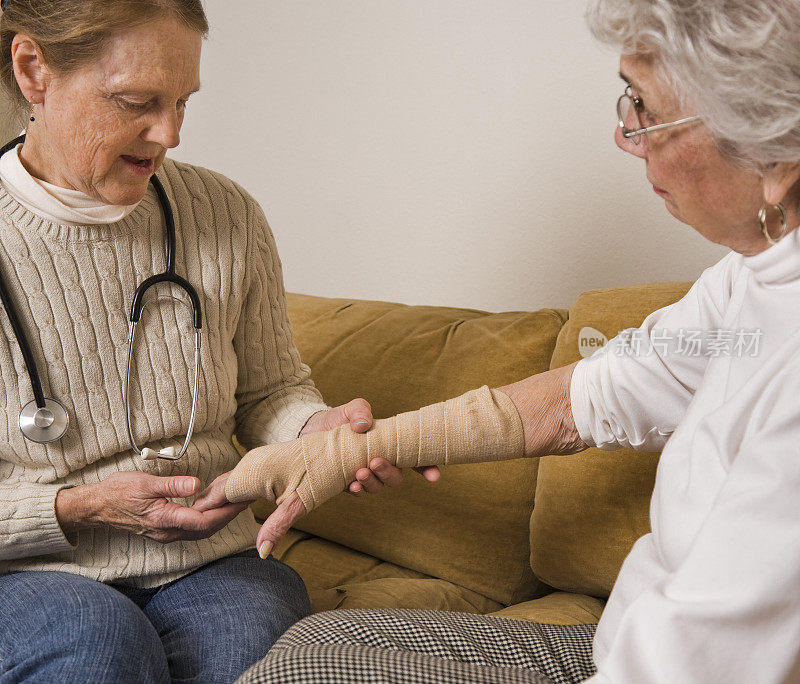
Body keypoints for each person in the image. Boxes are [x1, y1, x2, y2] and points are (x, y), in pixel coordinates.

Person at [232, 0, 800, 681]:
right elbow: (584, 398)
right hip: (621, 637)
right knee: (310, 643)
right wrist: (352, 447)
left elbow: (689, 664)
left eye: (649, 110)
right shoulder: (752, 277)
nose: (627, 136)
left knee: (288, 678)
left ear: (776, 160)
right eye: (629, 99)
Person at [0, 1, 441, 681]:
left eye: (182, 101)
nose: (168, 132)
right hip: (29, 568)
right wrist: (76, 505)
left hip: (207, 559)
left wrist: (319, 431)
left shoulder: (225, 215)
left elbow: (269, 391)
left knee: (253, 644)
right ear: (33, 70)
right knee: (97, 642)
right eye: (136, 101)